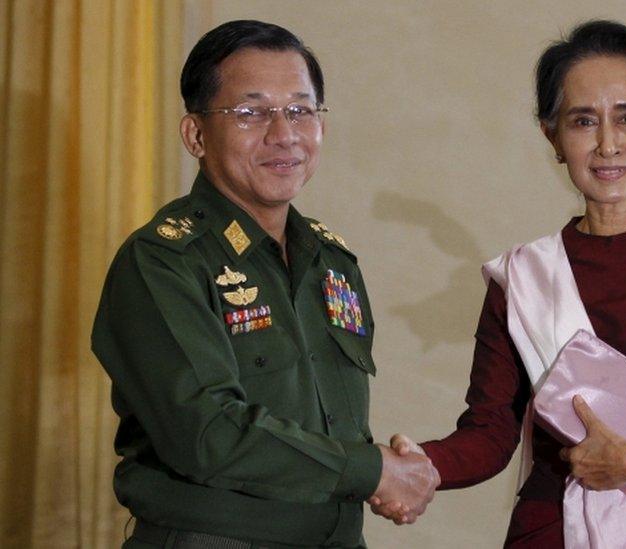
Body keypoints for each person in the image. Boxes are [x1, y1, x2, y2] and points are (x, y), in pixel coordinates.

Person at [370, 21, 626, 548]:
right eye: (584, 120)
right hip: (552, 532)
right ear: (554, 136)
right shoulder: (524, 276)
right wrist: (422, 465)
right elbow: (490, 434)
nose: (608, 143)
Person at [91, 20, 438, 548]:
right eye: (250, 113)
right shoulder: (162, 262)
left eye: (301, 110)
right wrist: (372, 471)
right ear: (196, 134)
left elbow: (330, 423)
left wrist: (387, 470)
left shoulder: (331, 260)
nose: (284, 134)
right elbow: (205, 434)